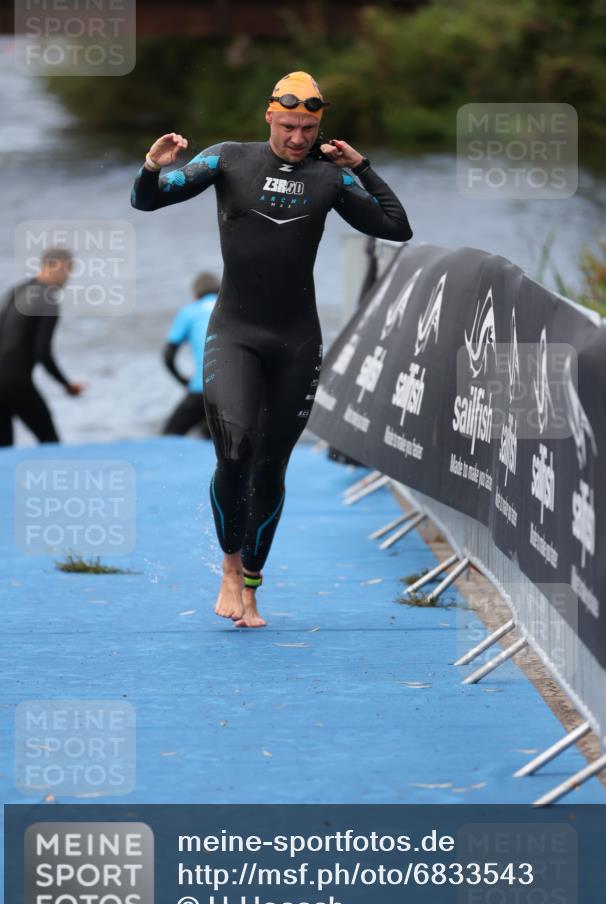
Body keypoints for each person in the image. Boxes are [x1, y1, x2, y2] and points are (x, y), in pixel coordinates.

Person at [131, 70, 412, 627]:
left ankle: (253, 585)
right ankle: (230, 568)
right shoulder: (227, 159)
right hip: (235, 330)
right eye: (288, 125)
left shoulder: (331, 179)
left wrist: (360, 167)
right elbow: (147, 201)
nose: (298, 138)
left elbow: (396, 227)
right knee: (233, 449)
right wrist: (151, 166)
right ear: (269, 116)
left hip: (296, 341)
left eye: (308, 127)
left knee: (271, 468)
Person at [0, 248, 86, 448]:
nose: (67, 278)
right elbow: (43, 353)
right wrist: (66, 385)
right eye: (67, 271)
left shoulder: (15, 291)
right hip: (14, 380)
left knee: (4, 448)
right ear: (54, 266)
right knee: (50, 443)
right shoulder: (47, 300)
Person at [162, 271, 220, 438]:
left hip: (202, 388)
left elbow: (168, 356)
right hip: (236, 390)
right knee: (216, 437)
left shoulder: (188, 312)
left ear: (195, 295)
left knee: (169, 435)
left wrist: (183, 381)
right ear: (220, 291)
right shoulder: (233, 310)